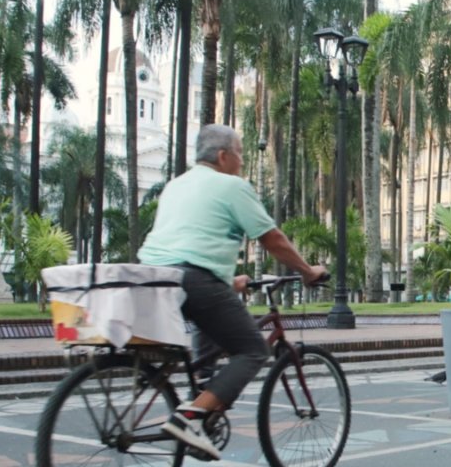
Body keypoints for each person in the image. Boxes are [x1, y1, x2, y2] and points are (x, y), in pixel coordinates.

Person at [138, 124, 327, 460]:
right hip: (195, 282)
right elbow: (272, 239)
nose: (241, 162)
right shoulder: (231, 186)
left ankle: (202, 398)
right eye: (239, 154)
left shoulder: (175, 185)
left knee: (208, 336)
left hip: (155, 278)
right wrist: (307, 270)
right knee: (253, 350)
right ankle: (191, 417)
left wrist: (227, 281)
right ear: (224, 156)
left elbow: (184, 246)